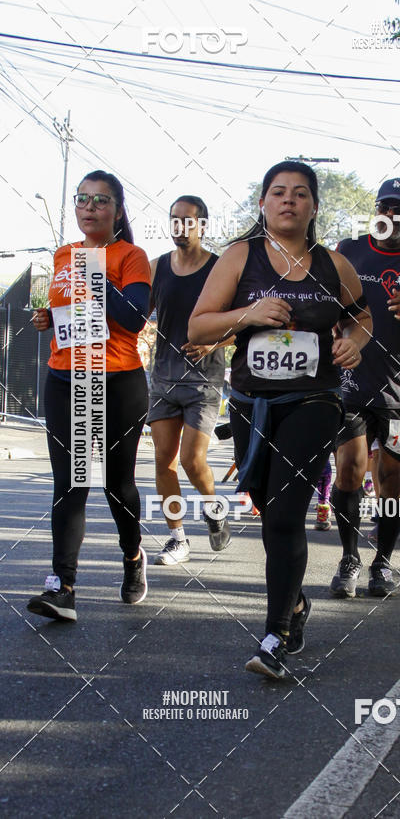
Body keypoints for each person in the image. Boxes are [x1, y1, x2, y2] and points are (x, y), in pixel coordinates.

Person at [188, 160, 371, 679]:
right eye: (277, 192)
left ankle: (274, 637)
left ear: (314, 206)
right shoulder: (240, 258)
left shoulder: (334, 265)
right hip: (251, 404)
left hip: (313, 402)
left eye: (299, 194)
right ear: (263, 204)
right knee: (271, 510)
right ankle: (294, 605)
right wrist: (247, 314)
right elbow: (200, 325)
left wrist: (352, 343)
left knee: (289, 511)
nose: (288, 200)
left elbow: (362, 315)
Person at [27, 171, 151, 621]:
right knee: (71, 484)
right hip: (65, 380)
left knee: (116, 486)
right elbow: (69, 310)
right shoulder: (64, 253)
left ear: (118, 210)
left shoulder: (131, 256)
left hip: (117, 381)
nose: (90, 207)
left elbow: (134, 318)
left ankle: (133, 556)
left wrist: (96, 276)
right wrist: (48, 317)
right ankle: (64, 587)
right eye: (83, 199)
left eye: (101, 200)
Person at [329, 178, 400, 598]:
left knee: (393, 480)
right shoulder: (349, 250)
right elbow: (325, 302)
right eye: (383, 206)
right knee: (350, 471)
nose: (390, 215)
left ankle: (383, 562)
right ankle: (349, 557)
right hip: (350, 385)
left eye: (399, 208)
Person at [147, 195, 231, 564]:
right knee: (163, 461)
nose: (180, 227)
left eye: (188, 220)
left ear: (203, 225)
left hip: (204, 381)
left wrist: (216, 340)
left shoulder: (220, 268)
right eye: (174, 220)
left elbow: (243, 324)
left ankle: (215, 510)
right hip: (163, 378)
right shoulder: (156, 268)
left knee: (192, 460)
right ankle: (177, 538)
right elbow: (133, 315)